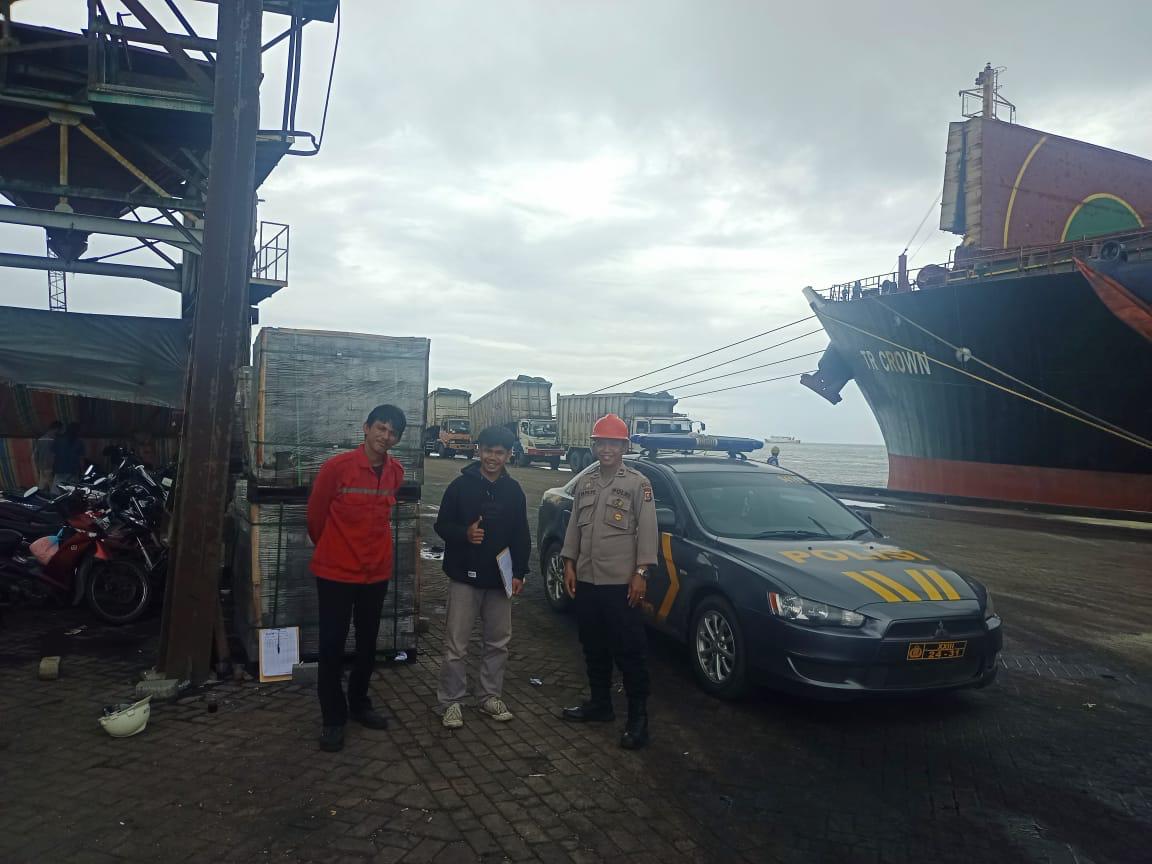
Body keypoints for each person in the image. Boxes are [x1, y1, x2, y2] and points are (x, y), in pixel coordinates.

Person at [307, 404, 408, 753]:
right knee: (332, 644)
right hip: (336, 573)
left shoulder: (395, 472)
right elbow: (316, 517)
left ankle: (359, 703)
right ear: (366, 428)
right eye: (381, 428)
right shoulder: (337, 468)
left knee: (367, 643)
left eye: (393, 433)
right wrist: (334, 549)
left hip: (375, 573)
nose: (385, 436)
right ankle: (333, 718)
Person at [560, 413, 659, 750]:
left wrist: (641, 573)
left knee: (630, 651)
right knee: (593, 646)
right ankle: (600, 705)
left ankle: (638, 720)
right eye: (601, 442)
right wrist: (569, 563)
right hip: (587, 579)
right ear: (593, 446)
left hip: (621, 584)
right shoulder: (585, 482)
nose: (607, 449)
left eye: (613, 444)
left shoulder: (638, 484)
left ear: (624, 447)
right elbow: (574, 526)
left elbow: (648, 531)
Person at [434, 425, 530, 729]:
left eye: (499, 452)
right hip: (464, 577)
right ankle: (451, 701)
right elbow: (441, 525)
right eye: (488, 450)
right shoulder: (460, 487)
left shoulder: (514, 491)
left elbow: (521, 534)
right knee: (456, 644)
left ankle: (489, 696)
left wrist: (519, 572)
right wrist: (465, 534)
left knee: (498, 642)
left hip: (499, 579)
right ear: (479, 450)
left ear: (509, 455)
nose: (492, 458)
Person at [51, 422, 85, 493]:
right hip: (73, 470)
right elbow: (81, 459)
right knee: (71, 491)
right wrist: (82, 471)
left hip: (59, 469)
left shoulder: (58, 440)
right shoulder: (79, 442)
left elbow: (53, 456)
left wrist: (52, 468)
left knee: (56, 492)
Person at [33, 421, 62, 492]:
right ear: (56, 429)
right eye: (59, 429)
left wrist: (37, 465)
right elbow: (53, 455)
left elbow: (35, 454)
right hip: (50, 466)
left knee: (42, 484)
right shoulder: (53, 440)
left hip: (41, 466)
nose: (59, 432)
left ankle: (39, 496)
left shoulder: (40, 439)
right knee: (52, 485)